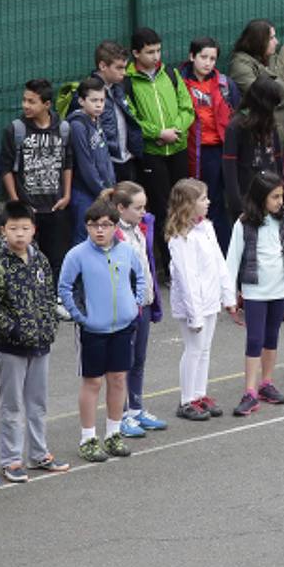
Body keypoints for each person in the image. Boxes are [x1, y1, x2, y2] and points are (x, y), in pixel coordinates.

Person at [0, 201, 69, 483]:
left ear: (34, 230)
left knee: (38, 402)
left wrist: (49, 327)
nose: (20, 234)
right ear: (2, 230)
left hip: (41, 344)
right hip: (12, 347)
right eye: (13, 228)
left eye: (25, 228)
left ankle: (38, 452)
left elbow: (47, 297)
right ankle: (11, 459)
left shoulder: (40, 260)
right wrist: (15, 330)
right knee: (12, 405)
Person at [58, 199, 147, 458]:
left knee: (118, 379)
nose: (99, 230)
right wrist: (80, 316)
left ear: (114, 226)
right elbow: (64, 288)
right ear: (86, 227)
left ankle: (113, 433)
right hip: (92, 330)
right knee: (93, 382)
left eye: (106, 225)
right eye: (94, 225)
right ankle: (88, 438)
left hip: (122, 327)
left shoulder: (126, 251)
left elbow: (140, 276)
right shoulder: (76, 255)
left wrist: (136, 303)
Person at [225, 171, 284, 415]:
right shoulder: (243, 223)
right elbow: (232, 260)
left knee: (271, 336)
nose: (280, 201)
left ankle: (266, 383)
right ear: (260, 197)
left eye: (281, 196)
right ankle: (250, 391)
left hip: (279, 288)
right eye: (275, 197)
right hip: (255, 289)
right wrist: (229, 296)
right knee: (254, 339)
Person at [165, 179, 236, 421]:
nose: (208, 202)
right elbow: (187, 278)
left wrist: (228, 295)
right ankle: (186, 400)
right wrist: (195, 314)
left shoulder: (206, 228)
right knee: (193, 349)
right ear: (188, 204)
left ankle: (199, 393)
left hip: (209, 300)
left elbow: (219, 263)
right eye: (203, 198)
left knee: (205, 349)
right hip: (192, 305)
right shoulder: (180, 238)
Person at [127, 28, 195, 270]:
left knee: (183, 203)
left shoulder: (170, 73)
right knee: (161, 207)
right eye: (149, 52)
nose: (156, 56)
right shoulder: (129, 81)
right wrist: (157, 133)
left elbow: (187, 108)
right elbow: (131, 118)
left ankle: (188, 257)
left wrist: (176, 129)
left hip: (178, 149)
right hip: (152, 155)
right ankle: (169, 263)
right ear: (136, 53)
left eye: (158, 50)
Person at [0, 79, 73, 289]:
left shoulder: (63, 129)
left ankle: (54, 297)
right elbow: (6, 168)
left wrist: (66, 195)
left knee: (56, 257)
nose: (25, 105)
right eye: (24, 100)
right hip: (27, 209)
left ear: (47, 104)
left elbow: (68, 163)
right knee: (25, 258)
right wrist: (16, 201)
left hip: (55, 206)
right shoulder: (15, 130)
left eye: (31, 101)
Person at [106, 182, 165, 436]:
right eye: (138, 207)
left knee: (139, 359)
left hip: (144, 303)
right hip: (126, 308)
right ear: (121, 208)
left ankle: (136, 409)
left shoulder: (141, 228)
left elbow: (147, 265)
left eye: (144, 207)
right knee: (123, 363)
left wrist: (153, 301)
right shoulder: (113, 234)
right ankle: (119, 416)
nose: (144, 211)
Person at [180, 37, 241, 250]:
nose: (208, 63)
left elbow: (237, 113)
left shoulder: (224, 84)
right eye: (203, 57)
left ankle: (226, 251)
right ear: (192, 57)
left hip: (223, 149)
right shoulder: (180, 82)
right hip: (196, 151)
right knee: (203, 201)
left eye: (212, 58)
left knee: (223, 202)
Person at [222, 76, 284, 223]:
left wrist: (281, 195)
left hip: (270, 196)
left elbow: (277, 160)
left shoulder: (271, 123)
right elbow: (229, 170)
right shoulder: (236, 126)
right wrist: (237, 206)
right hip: (247, 198)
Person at [228, 19, 284, 150]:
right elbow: (260, 96)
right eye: (271, 38)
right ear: (258, 40)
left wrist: (276, 90)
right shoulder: (240, 65)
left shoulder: (274, 57)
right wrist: (283, 86)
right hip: (264, 136)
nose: (276, 42)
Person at [66, 77, 116, 244]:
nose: (99, 105)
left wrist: (111, 185)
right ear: (81, 101)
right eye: (94, 100)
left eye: (102, 100)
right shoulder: (77, 125)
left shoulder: (97, 120)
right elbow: (85, 163)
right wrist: (101, 189)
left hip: (103, 192)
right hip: (84, 193)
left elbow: (105, 155)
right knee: (84, 236)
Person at [90, 40, 144, 184]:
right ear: (102, 66)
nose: (124, 72)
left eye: (125, 67)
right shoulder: (87, 93)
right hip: (107, 164)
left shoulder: (118, 88)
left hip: (126, 160)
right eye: (119, 68)